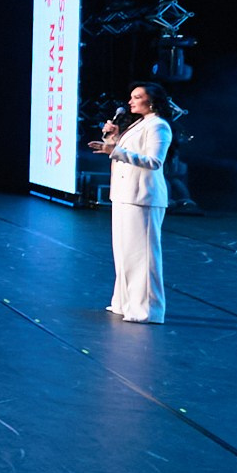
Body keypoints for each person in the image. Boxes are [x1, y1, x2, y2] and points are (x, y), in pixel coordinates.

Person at [90, 83, 175, 324]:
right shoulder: (140, 123)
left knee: (142, 256)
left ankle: (148, 309)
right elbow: (125, 150)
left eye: (137, 97)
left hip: (143, 198)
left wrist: (114, 150)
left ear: (152, 101)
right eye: (131, 97)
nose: (130, 101)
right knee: (125, 252)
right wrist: (114, 138)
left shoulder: (159, 126)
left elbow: (154, 161)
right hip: (125, 195)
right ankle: (125, 302)